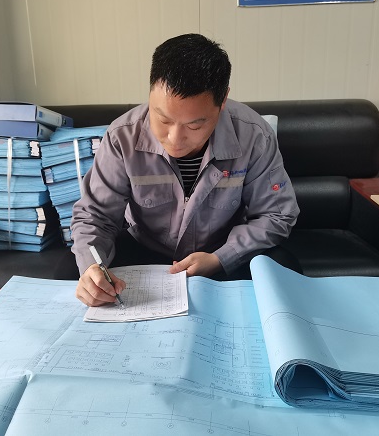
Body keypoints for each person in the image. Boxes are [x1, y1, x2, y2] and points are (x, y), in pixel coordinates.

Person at [71, 33, 300, 307]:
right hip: (147, 250)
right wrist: (92, 267)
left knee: (283, 265)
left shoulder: (254, 136)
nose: (175, 139)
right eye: (163, 119)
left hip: (221, 252)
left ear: (223, 100)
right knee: (79, 275)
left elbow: (277, 214)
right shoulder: (122, 137)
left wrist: (221, 258)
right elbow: (95, 215)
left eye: (194, 125)